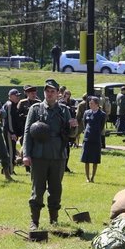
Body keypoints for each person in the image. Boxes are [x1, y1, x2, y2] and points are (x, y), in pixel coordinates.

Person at [22, 78, 78, 229]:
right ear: (44, 92)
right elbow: (27, 132)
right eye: (47, 91)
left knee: (55, 189)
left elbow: (71, 134)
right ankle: (35, 221)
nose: (50, 94)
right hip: (39, 155)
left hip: (58, 155)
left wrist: (73, 127)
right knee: (37, 189)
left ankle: (54, 220)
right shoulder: (35, 109)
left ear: (58, 93)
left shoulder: (64, 110)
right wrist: (26, 154)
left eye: (53, 91)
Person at [81, 96, 106, 182]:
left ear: (96, 104)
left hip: (96, 139)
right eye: (89, 103)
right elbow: (84, 123)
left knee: (95, 159)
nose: (89, 105)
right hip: (87, 138)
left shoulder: (102, 114)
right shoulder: (86, 113)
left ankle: (93, 177)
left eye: (91, 103)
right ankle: (87, 178)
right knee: (86, 159)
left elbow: (102, 126)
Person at [3, 88, 23, 175]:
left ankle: (6, 170)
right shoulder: (10, 105)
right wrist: (12, 133)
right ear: (10, 96)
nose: (18, 97)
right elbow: (9, 121)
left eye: (18, 95)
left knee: (11, 151)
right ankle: (9, 170)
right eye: (16, 95)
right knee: (11, 152)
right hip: (9, 132)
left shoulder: (13, 104)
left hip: (11, 132)